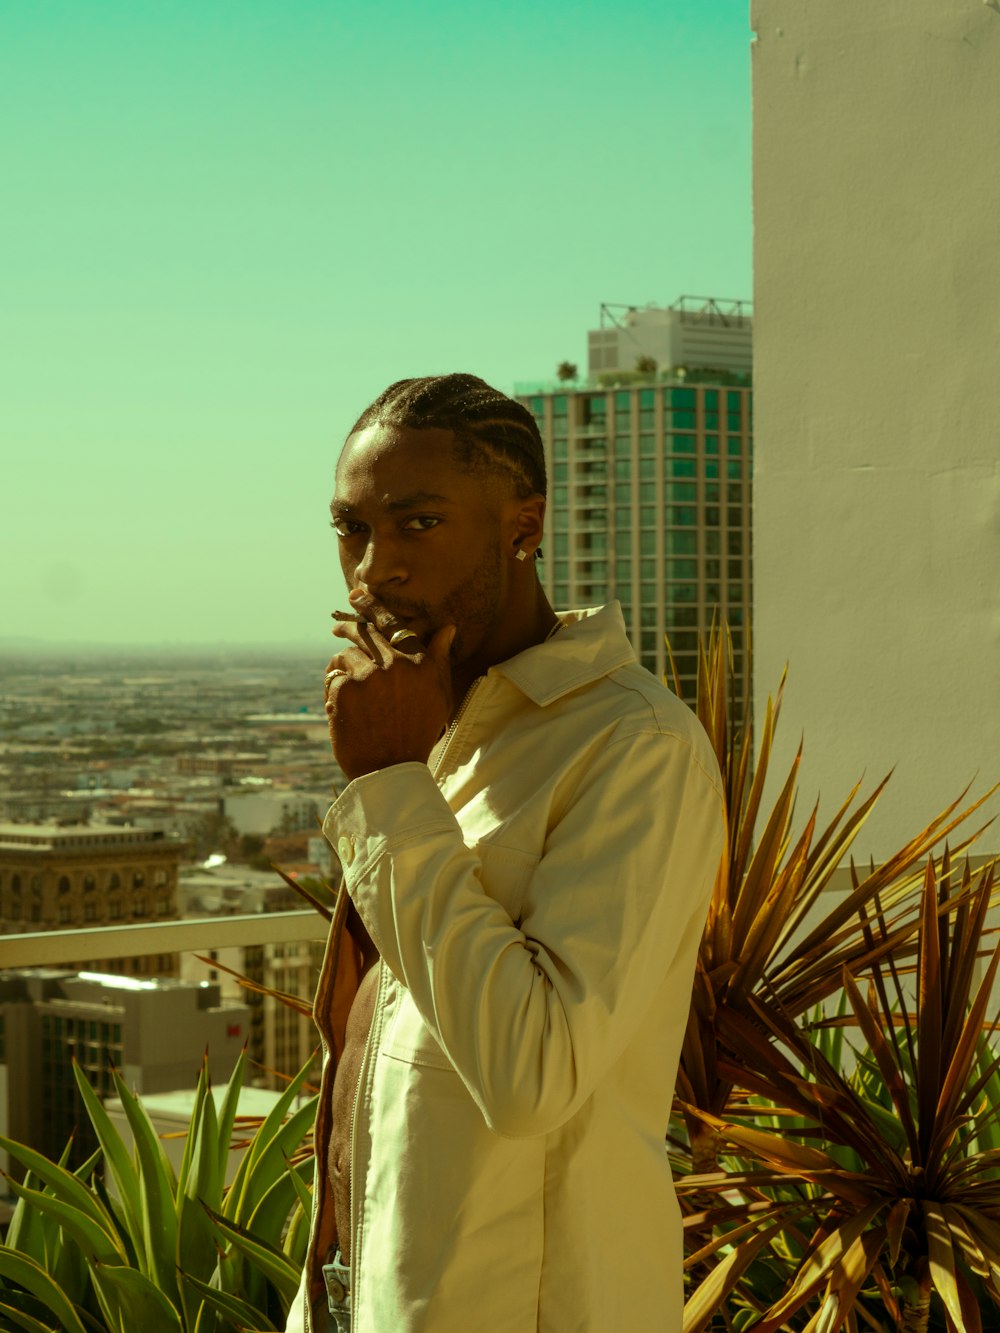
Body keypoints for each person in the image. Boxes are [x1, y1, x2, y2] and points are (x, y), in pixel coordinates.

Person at [286, 373, 725, 1333]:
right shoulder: (434, 725)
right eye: (352, 529)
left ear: (523, 527)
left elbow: (534, 1074)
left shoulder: (635, 747)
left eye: (420, 523)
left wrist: (393, 787)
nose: (373, 570)